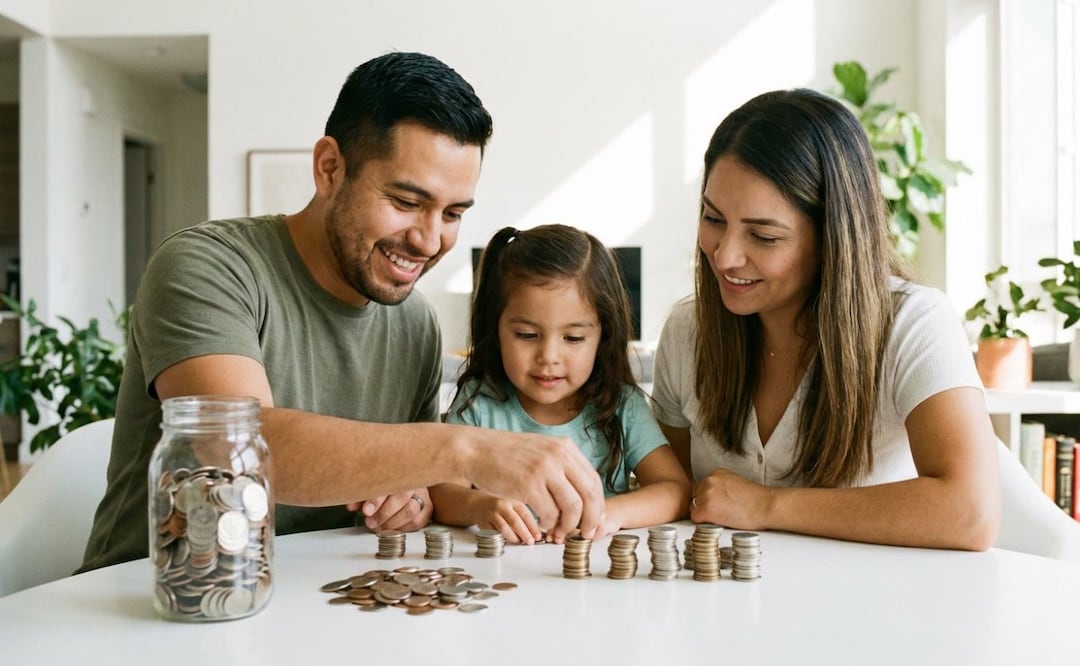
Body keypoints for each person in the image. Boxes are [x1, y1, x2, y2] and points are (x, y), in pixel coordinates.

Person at [80, 52, 605, 573]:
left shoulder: (415, 322)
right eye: (405, 202)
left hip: (318, 600)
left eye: (451, 214)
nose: (428, 240)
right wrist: (469, 449)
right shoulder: (206, 266)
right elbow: (236, 448)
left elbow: (412, 481)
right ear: (329, 167)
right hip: (162, 597)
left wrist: (412, 501)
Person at [650, 88, 1001, 551]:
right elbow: (669, 494)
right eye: (713, 219)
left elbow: (970, 513)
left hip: (872, 609)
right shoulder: (687, 331)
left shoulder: (914, 323)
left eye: (764, 235)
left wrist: (767, 506)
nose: (725, 255)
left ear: (832, 237)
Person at [430, 225, 691, 544]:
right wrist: (481, 505)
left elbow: (675, 490)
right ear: (495, 330)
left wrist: (609, 513)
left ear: (602, 337)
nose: (548, 357)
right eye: (527, 335)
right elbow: (442, 494)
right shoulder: (479, 403)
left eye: (573, 338)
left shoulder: (621, 405)